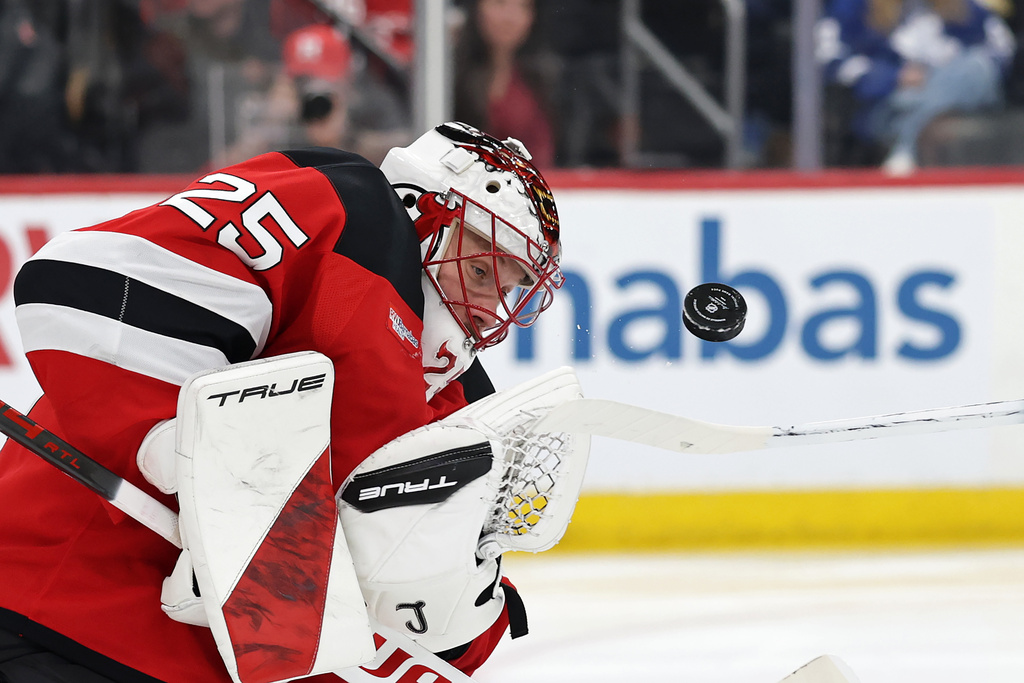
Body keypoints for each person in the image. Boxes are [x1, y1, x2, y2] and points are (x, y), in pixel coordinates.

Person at [0, 121, 563, 682]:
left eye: (509, 288)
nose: (491, 308)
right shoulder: (351, 219)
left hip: (190, 664)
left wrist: (463, 608)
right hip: (56, 608)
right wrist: (182, 452)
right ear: (422, 214)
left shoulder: (460, 402)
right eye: (483, 270)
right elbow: (89, 285)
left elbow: (419, 629)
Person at [816, 0, 1016, 174]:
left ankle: (906, 145)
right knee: (966, 73)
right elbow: (826, 56)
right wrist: (894, 77)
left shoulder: (963, 5)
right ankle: (912, 125)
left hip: (947, 104)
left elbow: (1001, 48)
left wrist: (942, 77)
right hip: (888, 107)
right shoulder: (854, 5)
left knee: (975, 66)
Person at [453, 0, 560, 170]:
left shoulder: (545, 79)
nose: (511, 18)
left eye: (524, 6)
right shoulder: (445, 79)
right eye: (499, 3)